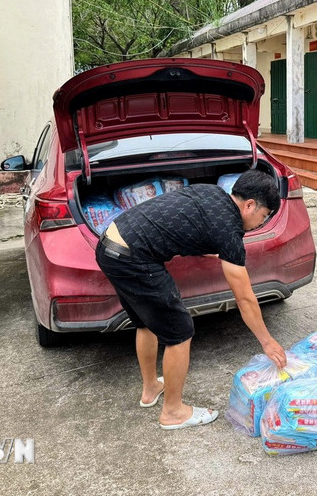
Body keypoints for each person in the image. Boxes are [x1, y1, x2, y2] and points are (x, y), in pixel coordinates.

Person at [95, 169, 287, 430]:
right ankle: (173, 412)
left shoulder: (212, 193)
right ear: (250, 205)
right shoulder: (229, 232)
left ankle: (151, 388)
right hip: (134, 258)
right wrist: (268, 341)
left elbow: (186, 220)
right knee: (180, 332)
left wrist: (214, 247)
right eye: (263, 217)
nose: (260, 224)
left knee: (145, 322)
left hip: (109, 246)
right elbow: (244, 298)